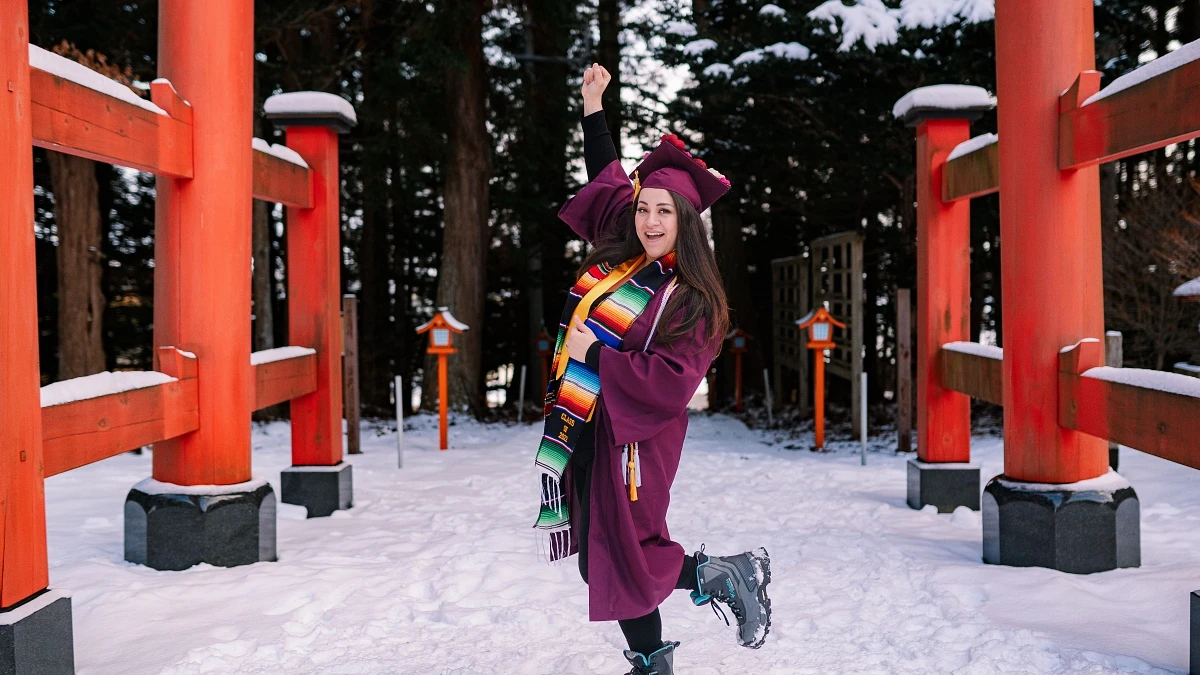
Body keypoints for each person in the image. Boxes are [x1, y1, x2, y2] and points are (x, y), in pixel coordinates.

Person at [532, 63, 773, 675]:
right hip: (587, 424)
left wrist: (599, 359)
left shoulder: (693, 298)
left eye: (664, 212)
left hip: (636, 437)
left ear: (686, 220)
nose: (650, 221)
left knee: (623, 553)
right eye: (644, 209)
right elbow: (608, 180)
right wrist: (593, 107)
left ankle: (653, 659)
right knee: (601, 556)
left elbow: (672, 381)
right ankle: (721, 575)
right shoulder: (627, 258)